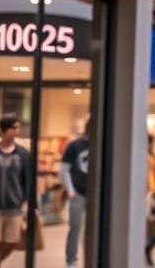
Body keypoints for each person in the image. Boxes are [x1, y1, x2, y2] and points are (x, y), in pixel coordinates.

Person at [0, 114, 31, 268]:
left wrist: (27, 203)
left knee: (13, 241)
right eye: (14, 128)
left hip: (14, 207)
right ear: (5, 130)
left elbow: (27, 180)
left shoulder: (23, 154)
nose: (17, 131)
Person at [61, 115, 90, 268]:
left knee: (93, 229)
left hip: (95, 195)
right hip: (78, 192)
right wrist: (70, 189)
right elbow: (64, 169)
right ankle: (71, 260)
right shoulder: (74, 146)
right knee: (75, 227)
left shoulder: (102, 143)